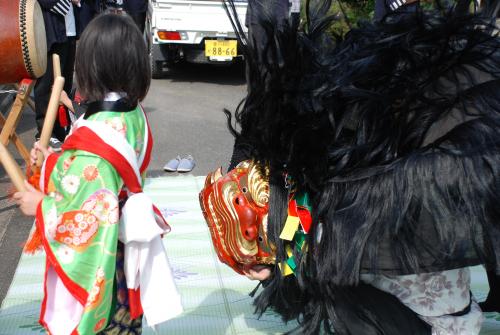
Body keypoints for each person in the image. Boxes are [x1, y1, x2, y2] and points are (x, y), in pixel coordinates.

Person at [220, 0, 500, 333]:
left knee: (329, 263)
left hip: (414, 323)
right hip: (458, 318)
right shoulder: (435, 175)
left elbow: (310, 244)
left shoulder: (369, 199)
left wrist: (282, 254)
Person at [13, 14, 182, 334]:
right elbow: (88, 169)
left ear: (92, 67)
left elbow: (88, 205)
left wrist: (40, 205)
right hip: (124, 242)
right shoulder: (131, 112)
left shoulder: (101, 129)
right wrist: (52, 161)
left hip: (104, 251)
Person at [35, 0, 80, 151]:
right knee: (47, 84)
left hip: (69, 31)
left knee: (65, 84)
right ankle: (45, 133)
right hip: (51, 30)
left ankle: (61, 130)